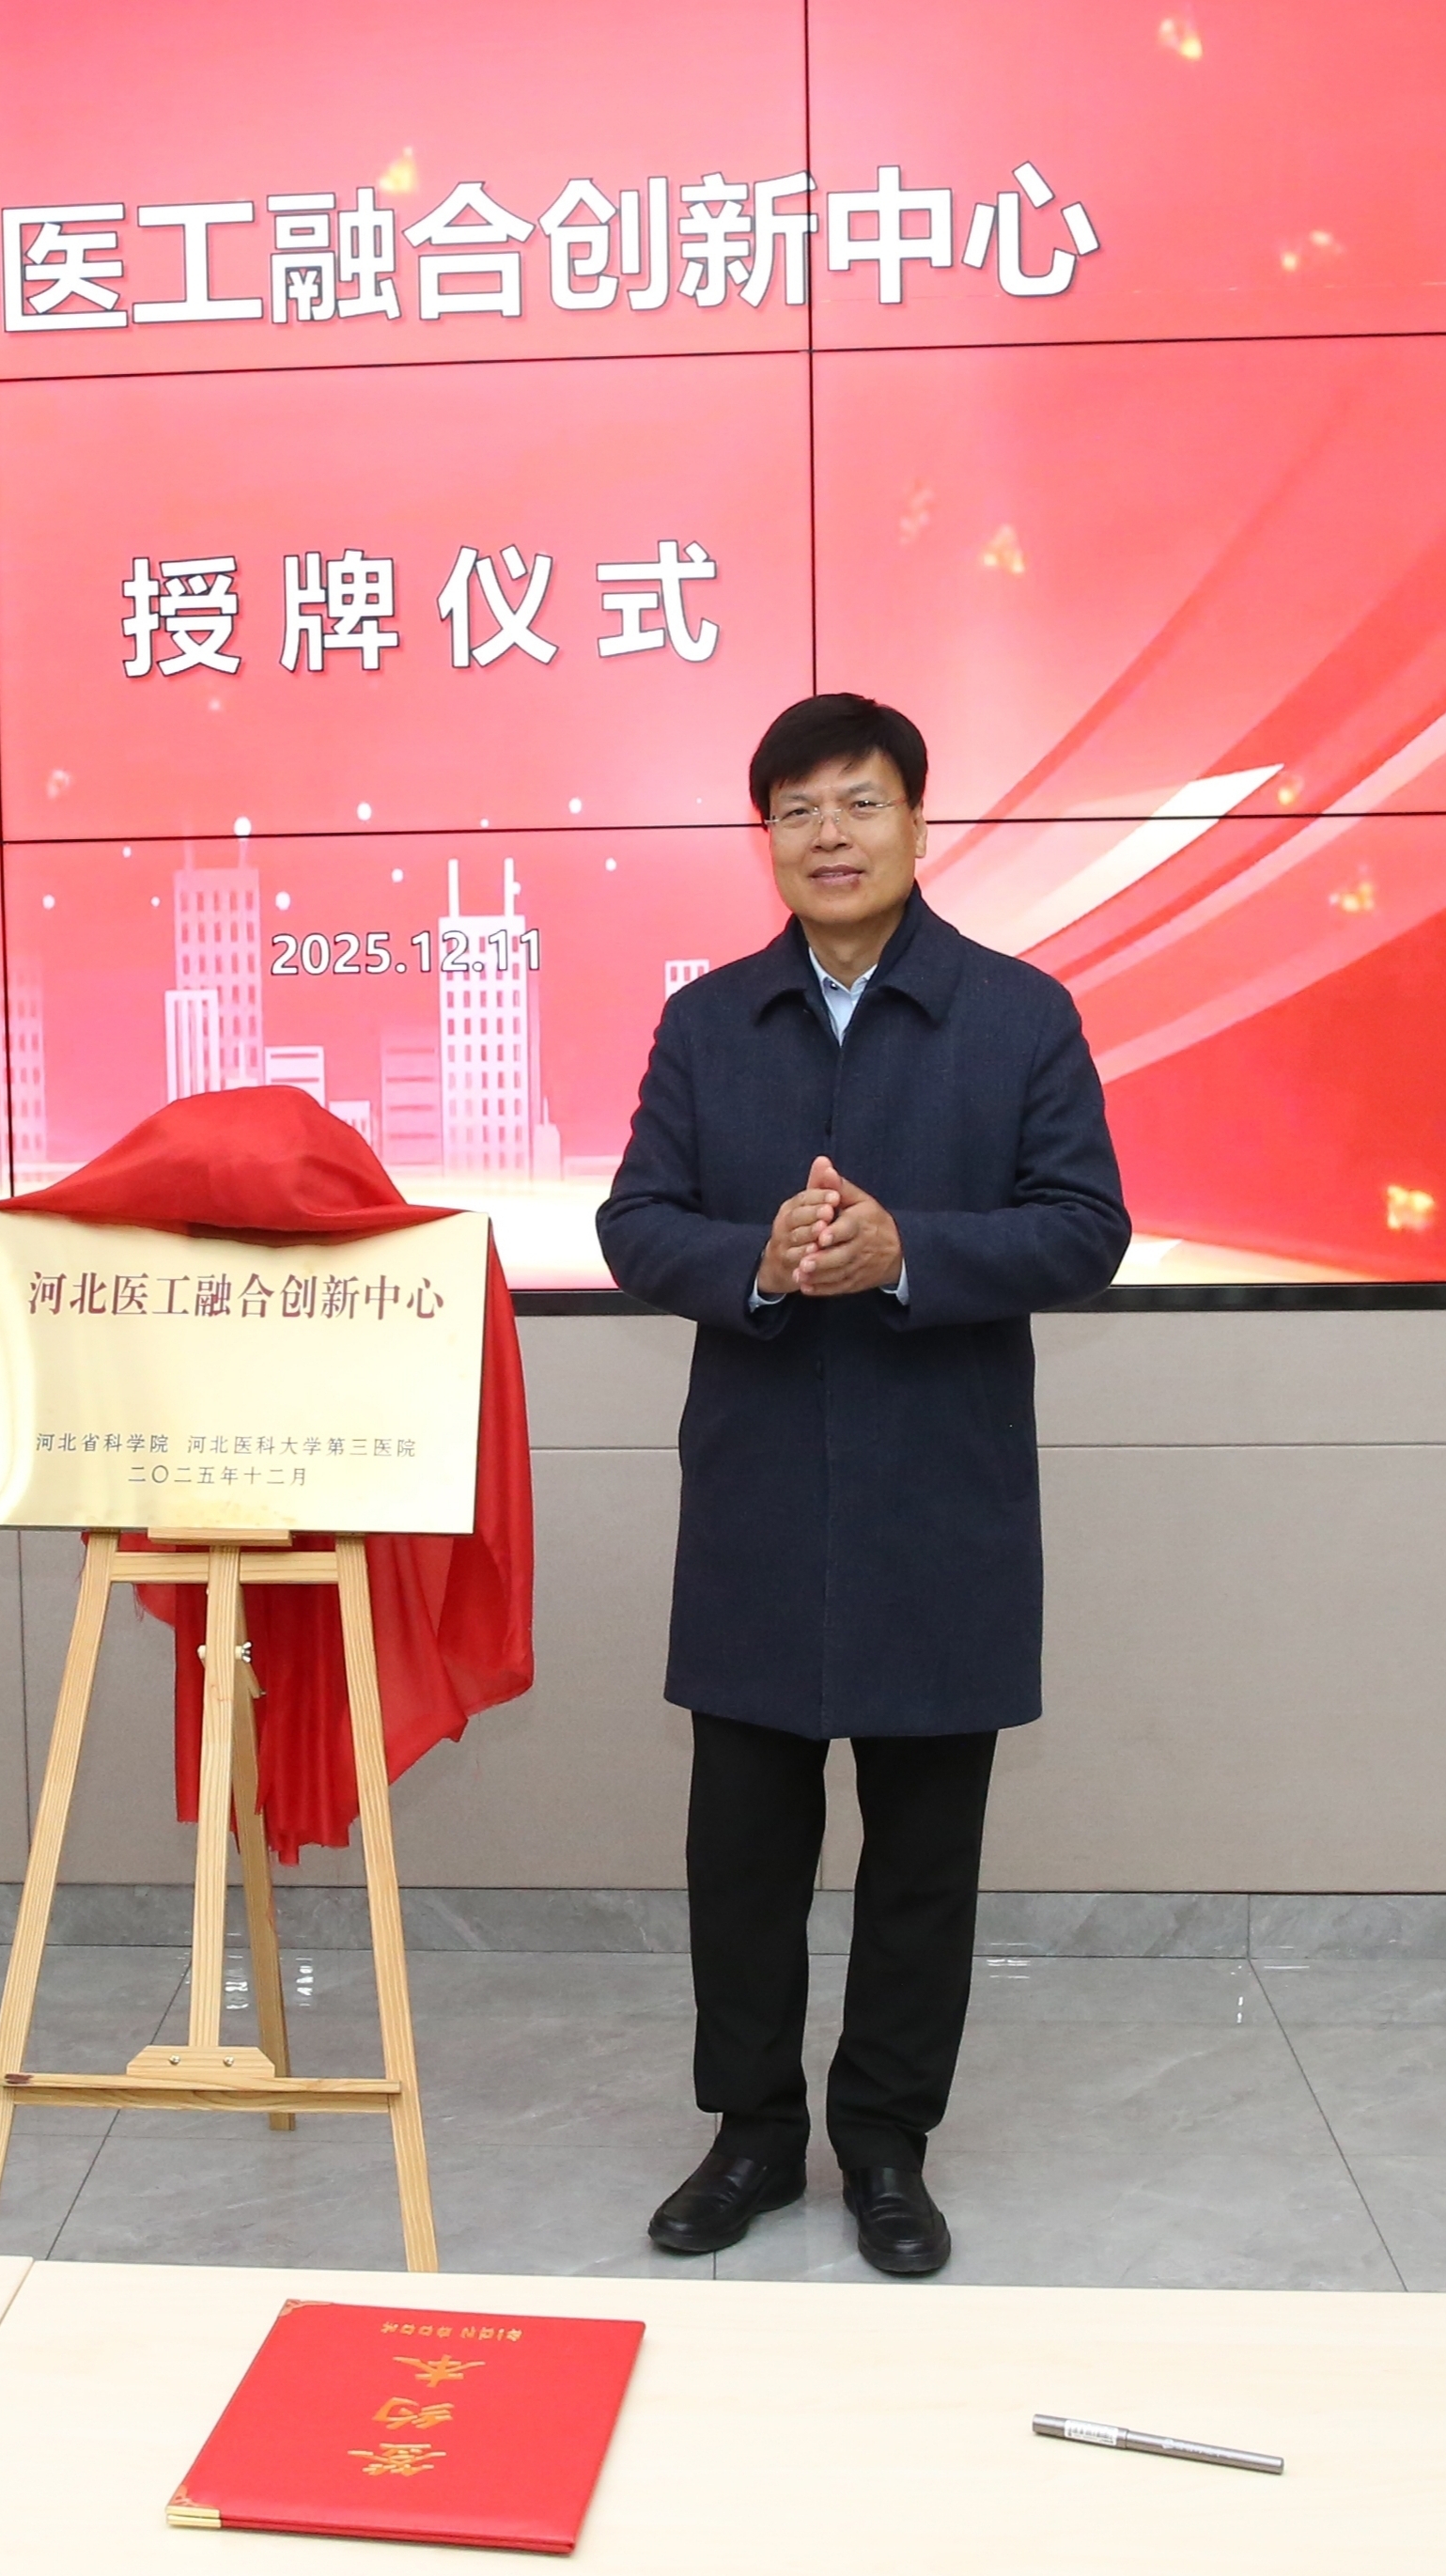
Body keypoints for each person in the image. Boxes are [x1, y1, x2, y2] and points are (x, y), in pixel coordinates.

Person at [597, 694, 1129, 2278]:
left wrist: (910, 1254)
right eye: (798, 810)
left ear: (917, 822)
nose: (829, 834)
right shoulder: (710, 1025)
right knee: (742, 1855)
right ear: (766, 837)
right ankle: (753, 2133)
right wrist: (752, 1261)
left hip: (939, 1500)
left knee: (922, 1857)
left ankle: (887, 2143)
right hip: (759, 1502)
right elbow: (636, 1222)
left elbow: (1085, 1226)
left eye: (860, 802)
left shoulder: (1018, 1014)